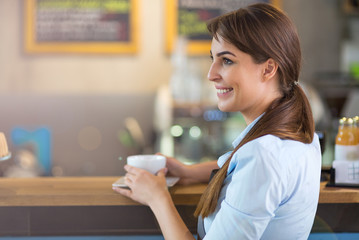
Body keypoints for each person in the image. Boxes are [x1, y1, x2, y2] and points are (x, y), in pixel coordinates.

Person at [112, 3, 322, 239]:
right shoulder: (300, 137)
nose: (211, 74)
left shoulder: (263, 156)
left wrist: (157, 198)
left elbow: (258, 170)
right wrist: (189, 172)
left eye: (227, 61)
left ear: (268, 69)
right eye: (213, 59)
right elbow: (243, 170)